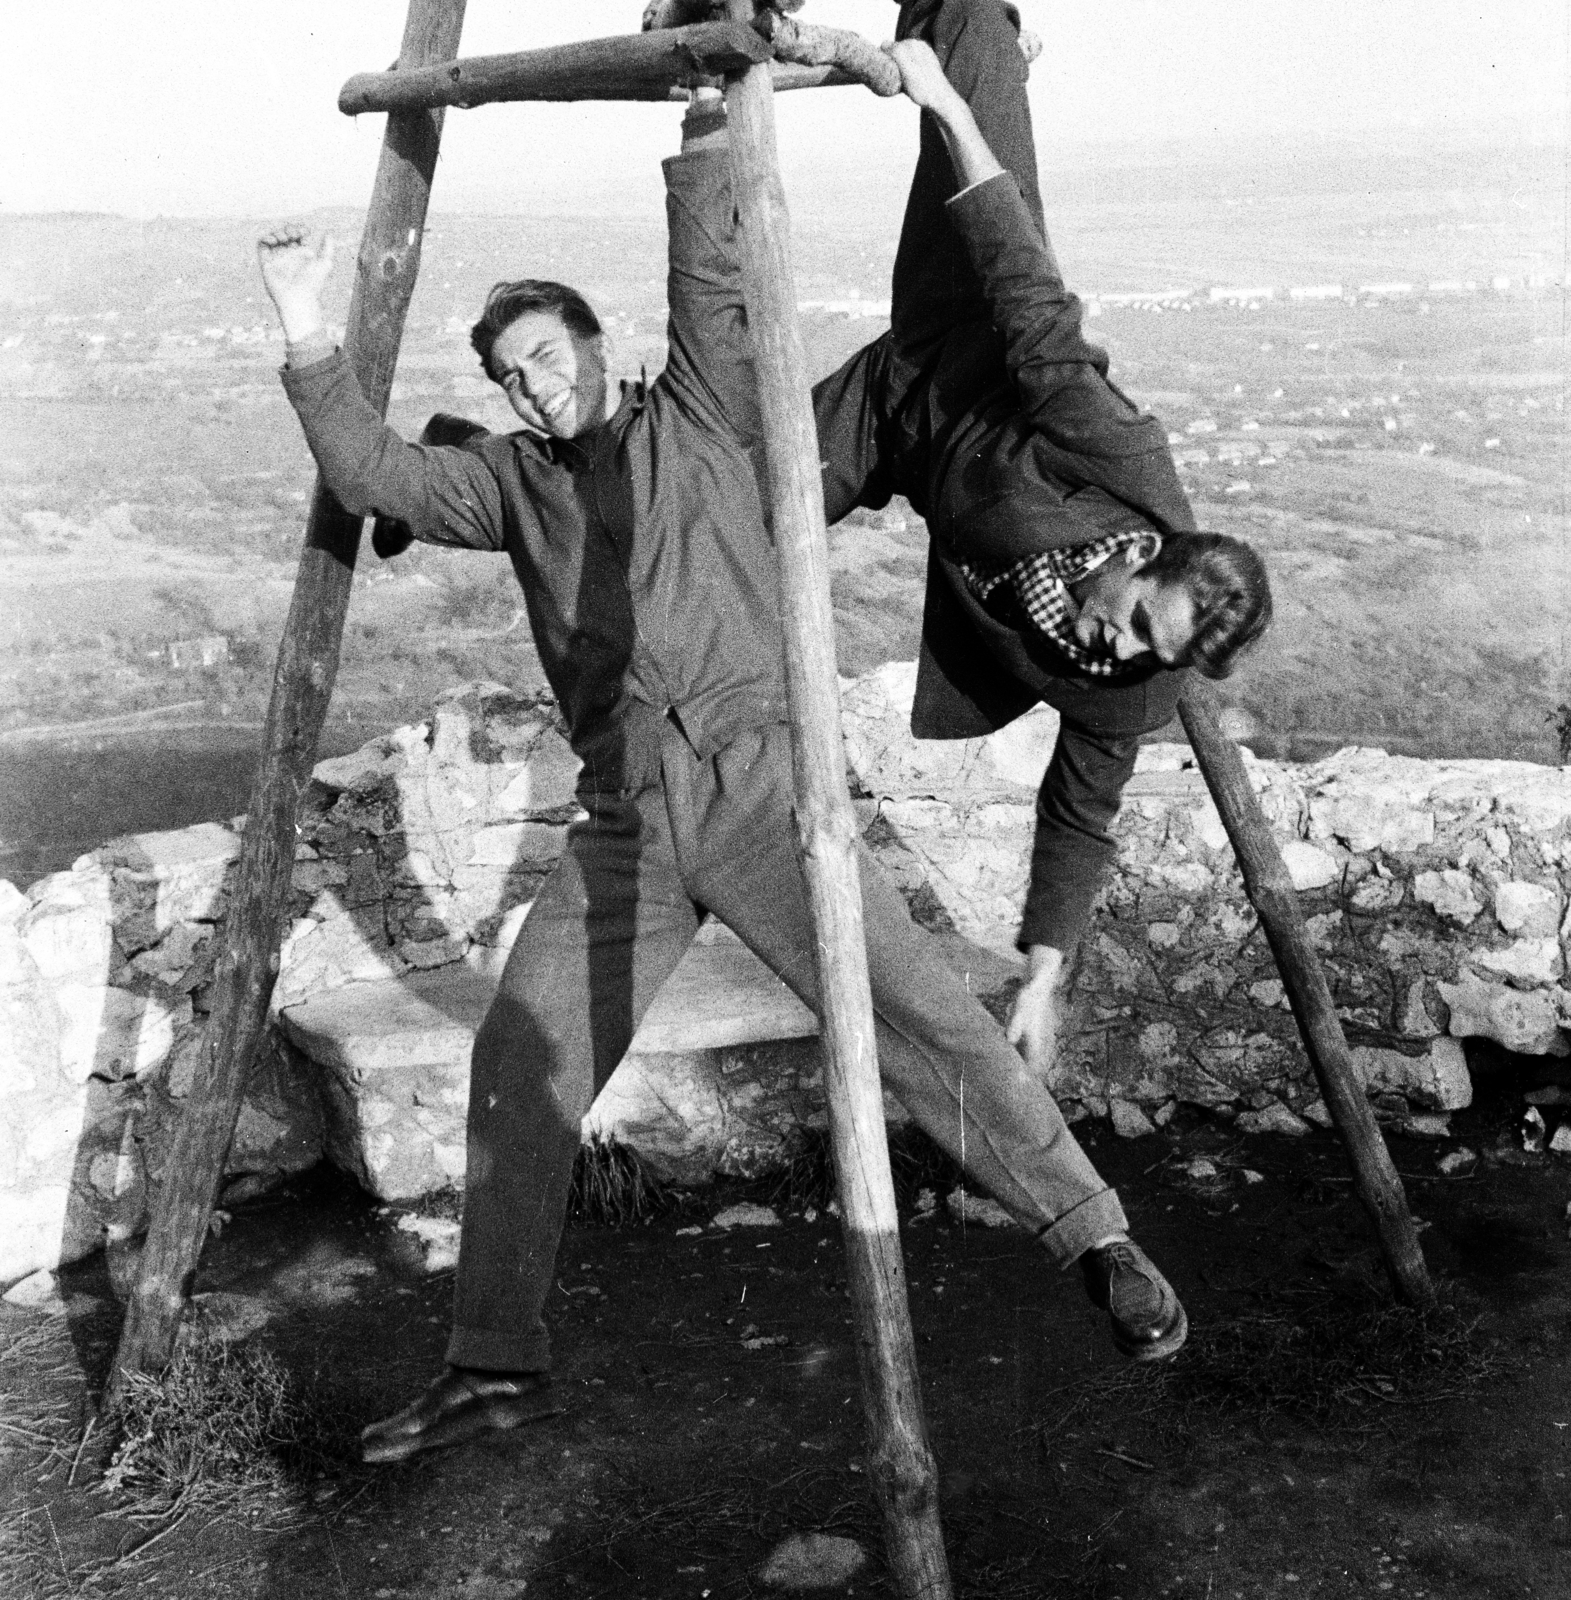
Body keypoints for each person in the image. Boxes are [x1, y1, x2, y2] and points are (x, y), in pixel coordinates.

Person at [256, 84, 1186, 1468]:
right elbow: (378, 476)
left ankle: (1092, 1237)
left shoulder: (696, 412)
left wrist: (704, 123)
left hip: (765, 794)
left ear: (591, 342)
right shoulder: (507, 488)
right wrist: (304, 328)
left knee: (920, 1019)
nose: (531, 382)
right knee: (522, 1060)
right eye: (507, 375)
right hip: (624, 827)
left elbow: (711, 276)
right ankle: (492, 1364)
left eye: (545, 353)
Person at [812, 0, 1273, 1083]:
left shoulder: (1137, 682)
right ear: (1133, 550)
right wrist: (947, 112)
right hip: (966, 317)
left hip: (888, 421)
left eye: (1141, 661)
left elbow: (1079, 816)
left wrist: (1040, 975)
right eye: (1128, 630)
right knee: (964, 46)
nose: (1110, 658)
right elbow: (1025, 288)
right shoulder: (1117, 455)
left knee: (727, 507)